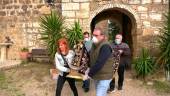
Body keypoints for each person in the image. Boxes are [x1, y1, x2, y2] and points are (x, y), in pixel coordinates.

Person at [83, 28, 115, 96]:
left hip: (105, 76)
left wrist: (89, 75)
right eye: (93, 35)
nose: (93, 37)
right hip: (97, 75)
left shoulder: (105, 46)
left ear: (102, 36)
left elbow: (99, 63)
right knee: (101, 93)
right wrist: (88, 68)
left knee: (99, 94)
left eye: (96, 35)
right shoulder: (93, 45)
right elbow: (91, 58)